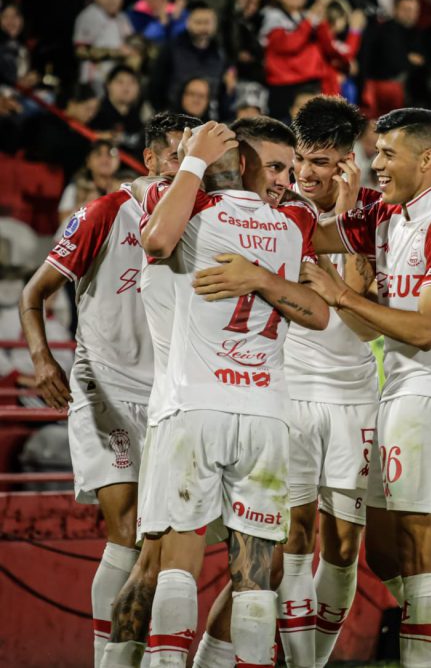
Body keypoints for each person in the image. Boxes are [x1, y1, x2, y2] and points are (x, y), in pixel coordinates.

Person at [102, 113, 318, 667]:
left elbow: (154, 241)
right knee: (251, 578)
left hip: (189, 408)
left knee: (161, 567)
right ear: (242, 162)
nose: (284, 181)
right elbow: (316, 310)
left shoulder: (186, 208)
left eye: (289, 169)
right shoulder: (291, 226)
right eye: (274, 166)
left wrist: (196, 161)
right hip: (264, 413)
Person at [195, 97, 379, 667]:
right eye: (299, 159)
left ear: (349, 162)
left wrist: (348, 216)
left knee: (344, 550)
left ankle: (315, 661)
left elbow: (358, 305)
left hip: (356, 394)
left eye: (321, 161)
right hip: (291, 389)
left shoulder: (375, 212)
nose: (305, 173)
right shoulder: (279, 212)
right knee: (287, 547)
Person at [302, 107, 431, 667]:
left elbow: (428, 329)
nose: (375, 163)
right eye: (375, 152)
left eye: (387, 153)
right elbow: (314, 235)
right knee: (386, 552)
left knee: (420, 550)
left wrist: (341, 296)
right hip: (399, 392)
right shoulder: (387, 215)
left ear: (427, 159)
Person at [18, 117, 173, 667]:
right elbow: (34, 292)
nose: (184, 168)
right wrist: (42, 359)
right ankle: (109, 658)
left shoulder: (194, 217)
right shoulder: (104, 213)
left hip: (168, 397)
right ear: (150, 160)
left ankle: (137, 653)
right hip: (103, 385)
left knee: (162, 538)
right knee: (128, 528)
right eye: (173, 156)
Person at [149, 1, 230, 119]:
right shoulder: (172, 49)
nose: (203, 27)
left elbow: (221, 92)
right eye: (198, 22)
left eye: (207, 22)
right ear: (188, 23)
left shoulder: (220, 54)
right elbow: (156, 84)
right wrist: (162, 115)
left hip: (207, 121)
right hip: (173, 118)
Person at [73, 0, 134, 90]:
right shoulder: (90, 15)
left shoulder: (122, 17)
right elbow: (80, 51)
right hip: (95, 78)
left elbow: (130, 42)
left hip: (117, 78)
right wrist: (115, 53)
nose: (113, 0)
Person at [91, 65, 144, 157]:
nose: (126, 87)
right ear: (108, 85)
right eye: (120, 82)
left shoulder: (141, 119)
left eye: (132, 82)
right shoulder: (94, 113)